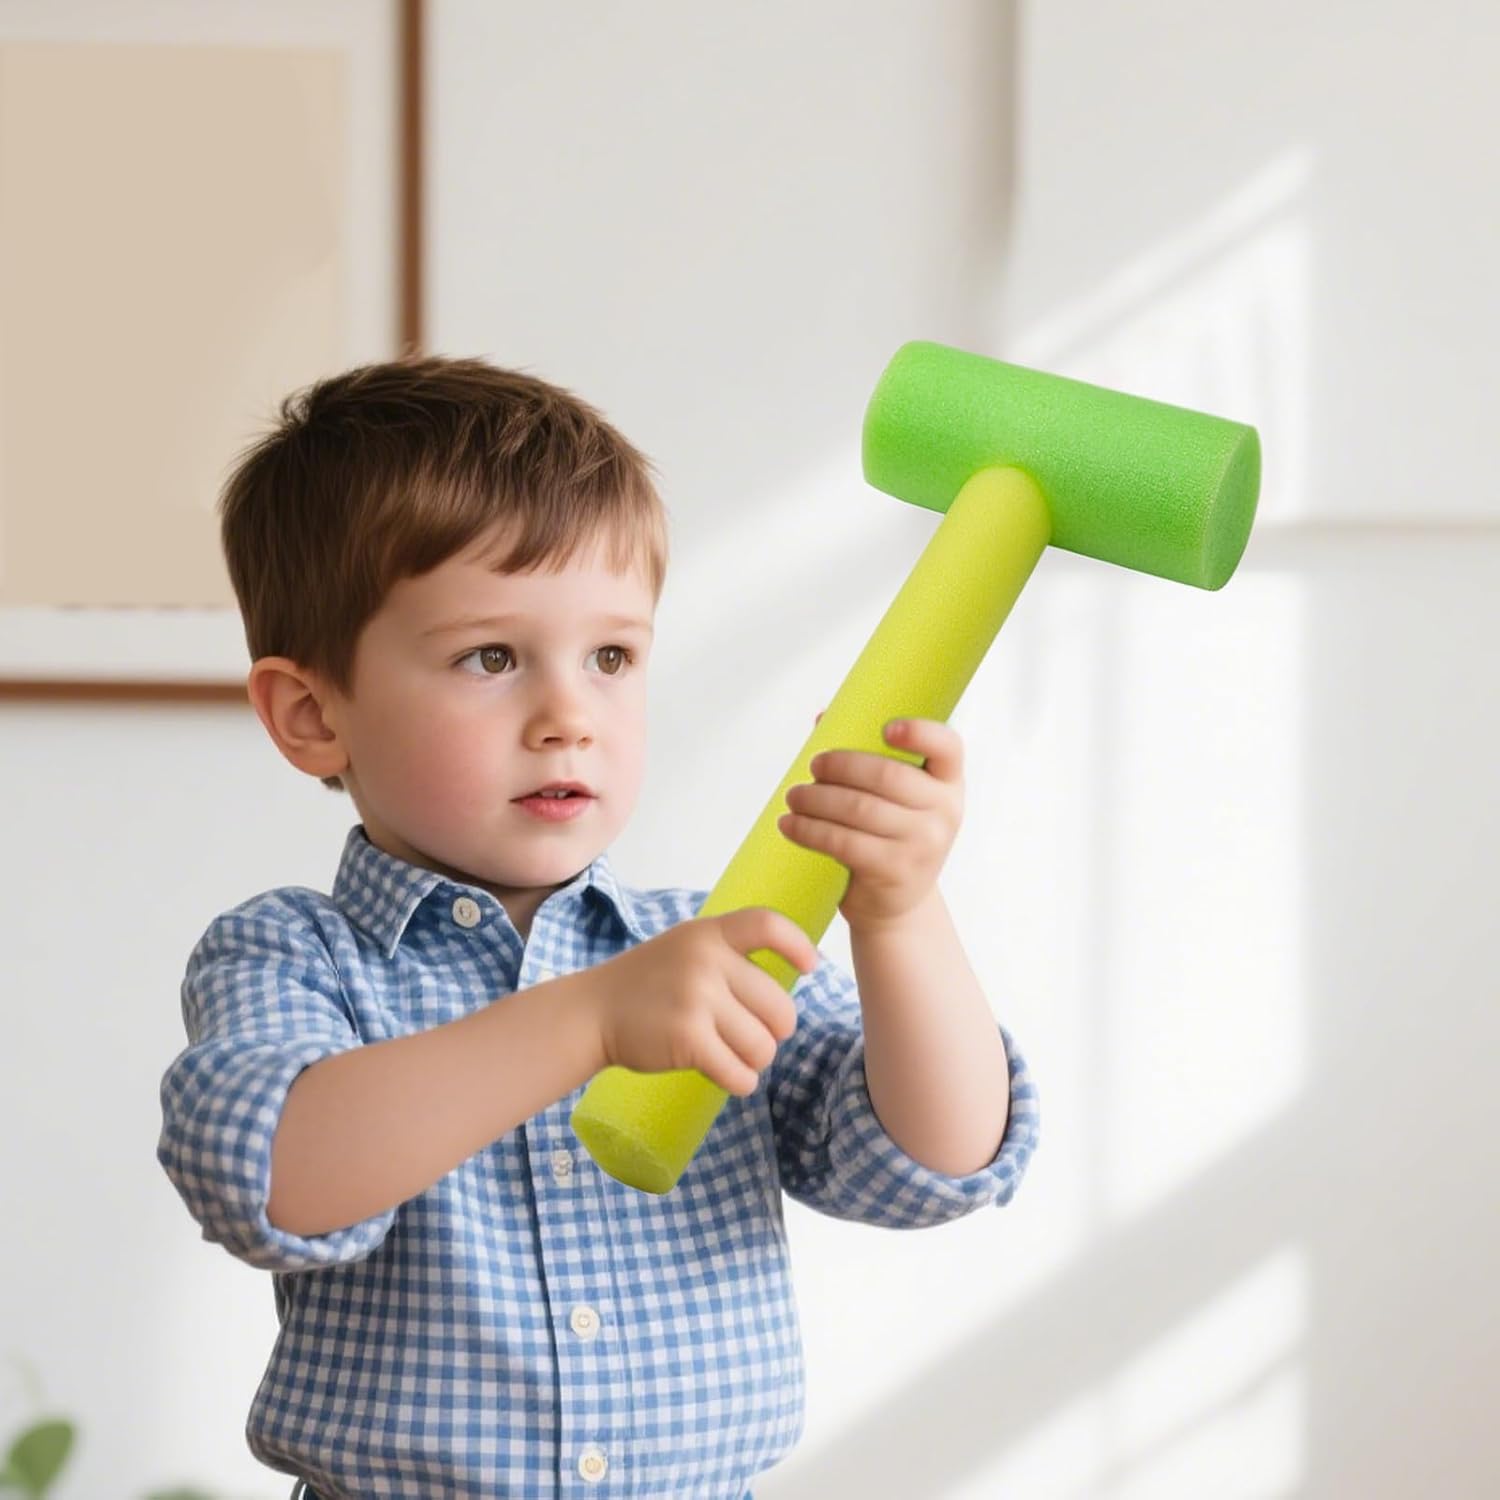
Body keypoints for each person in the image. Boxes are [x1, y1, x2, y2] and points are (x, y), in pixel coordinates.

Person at [156, 355, 1040, 1499]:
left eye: (611, 657)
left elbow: (934, 1165)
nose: (569, 716)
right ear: (314, 714)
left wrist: (902, 916)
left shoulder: (720, 944)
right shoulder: (292, 955)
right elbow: (272, 1182)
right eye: (490, 658)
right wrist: (590, 1022)